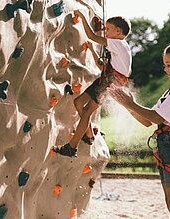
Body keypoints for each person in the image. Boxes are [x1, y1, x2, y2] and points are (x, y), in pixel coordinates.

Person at [108, 41, 170, 219]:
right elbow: (148, 121)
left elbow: (155, 117)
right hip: (168, 145)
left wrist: (130, 103)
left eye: (169, 65)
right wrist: (126, 105)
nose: (165, 69)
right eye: (165, 65)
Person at [52, 9, 132, 157]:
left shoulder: (118, 43)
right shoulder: (120, 47)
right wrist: (91, 50)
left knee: (87, 111)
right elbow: (101, 67)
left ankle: (72, 146)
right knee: (78, 103)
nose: (106, 32)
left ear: (118, 31)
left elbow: (91, 35)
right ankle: (88, 133)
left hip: (110, 81)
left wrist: (82, 16)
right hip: (108, 79)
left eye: (108, 29)